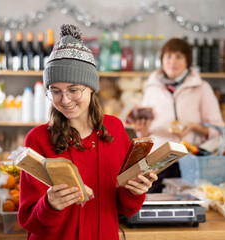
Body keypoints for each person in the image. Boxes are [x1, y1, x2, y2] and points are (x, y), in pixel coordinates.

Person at [18, 24, 158, 240]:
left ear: (91, 87)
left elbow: (125, 208)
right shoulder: (37, 139)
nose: (64, 100)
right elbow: (29, 220)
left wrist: (135, 191)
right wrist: (49, 205)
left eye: (73, 90)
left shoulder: (115, 129)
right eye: (55, 91)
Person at [133, 38, 225, 192]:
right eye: (168, 56)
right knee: (154, 206)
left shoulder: (202, 88)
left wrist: (195, 127)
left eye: (178, 57)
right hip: (158, 161)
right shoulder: (152, 88)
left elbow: (218, 130)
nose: (172, 62)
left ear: (188, 61)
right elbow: (146, 131)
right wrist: (142, 132)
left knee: (190, 208)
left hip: (191, 162)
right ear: (161, 60)